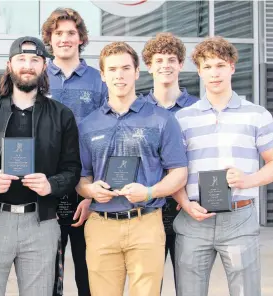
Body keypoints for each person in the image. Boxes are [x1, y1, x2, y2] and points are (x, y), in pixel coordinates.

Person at [0, 36, 81, 296]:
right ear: (9, 64)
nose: (28, 65)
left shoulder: (62, 115)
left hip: (40, 222)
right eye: (21, 59)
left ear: (44, 66)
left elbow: (72, 169)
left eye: (35, 60)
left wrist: (52, 184)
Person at [76, 41, 188, 296]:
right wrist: (90, 190)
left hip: (146, 222)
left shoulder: (161, 119)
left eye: (126, 68)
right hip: (101, 225)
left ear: (137, 72)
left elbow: (179, 172)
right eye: (113, 69)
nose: (120, 75)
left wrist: (149, 192)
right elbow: (81, 178)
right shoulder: (88, 124)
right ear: (103, 75)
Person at [174, 36, 273, 296]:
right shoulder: (183, 118)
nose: (214, 73)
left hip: (239, 219)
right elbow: (172, 171)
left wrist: (248, 180)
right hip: (193, 219)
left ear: (231, 66)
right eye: (207, 67)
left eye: (219, 65)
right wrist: (185, 203)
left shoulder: (257, 114)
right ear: (199, 71)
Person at [41, 8, 107, 295]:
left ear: (81, 38)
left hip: (85, 186)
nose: (65, 39)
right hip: (45, 186)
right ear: (50, 39)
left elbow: (108, 137)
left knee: (87, 271)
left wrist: (92, 193)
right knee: (46, 270)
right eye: (58, 34)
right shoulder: (38, 76)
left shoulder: (98, 80)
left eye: (71, 33)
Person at [141, 32, 199, 292]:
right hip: (149, 208)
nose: (166, 64)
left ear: (181, 64)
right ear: (149, 65)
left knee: (187, 284)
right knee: (149, 283)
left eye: (172, 59)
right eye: (159, 59)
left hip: (184, 209)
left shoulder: (198, 109)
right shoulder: (138, 109)